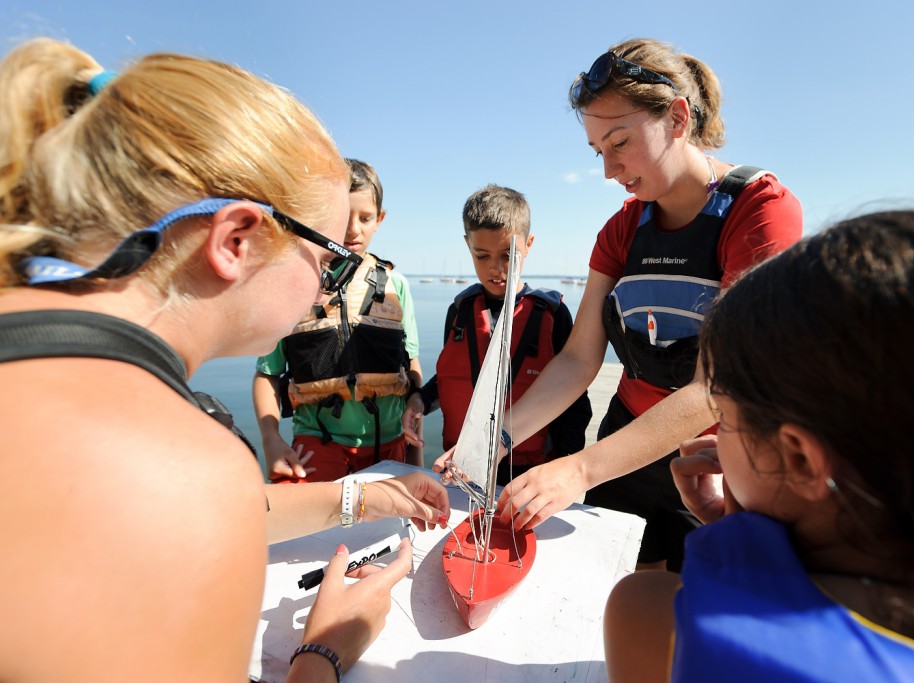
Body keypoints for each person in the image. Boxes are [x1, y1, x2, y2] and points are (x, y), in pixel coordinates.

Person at [0, 38, 449, 682]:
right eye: (327, 261)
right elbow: (190, 506)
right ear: (235, 240)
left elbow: (233, 511)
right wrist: (324, 650)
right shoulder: (180, 465)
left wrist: (361, 497)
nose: (327, 283)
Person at [602, 210, 914, 681]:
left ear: (801, 458)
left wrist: (738, 534)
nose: (714, 436)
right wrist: (758, 505)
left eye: (724, 418)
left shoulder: (658, 620)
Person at [480, 38, 802, 571]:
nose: (609, 170)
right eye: (598, 152)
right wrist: (495, 438)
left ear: (677, 117)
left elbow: (714, 389)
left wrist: (578, 471)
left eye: (620, 142)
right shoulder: (622, 229)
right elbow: (580, 359)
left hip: (717, 462)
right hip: (624, 443)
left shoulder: (761, 211)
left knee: (687, 616)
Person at [403, 184, 591, 485]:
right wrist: (420, 400)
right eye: (482, 256)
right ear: (468, 246)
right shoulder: (460, 311)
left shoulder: (552, 316)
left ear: (528, 244)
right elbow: (452, 377)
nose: (496, 268)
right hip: (459, 468)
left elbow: (575, 402)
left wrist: (561, 469)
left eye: (507, 255)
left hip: (527, 473)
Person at [253, 159, 423, 483]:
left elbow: (411, 366)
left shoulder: (396, 285)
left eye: (365, 217)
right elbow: (267, 373)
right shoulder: (294, 283)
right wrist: (270, 440)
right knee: (313, 530)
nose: (353, 229)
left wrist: (414, 457)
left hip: (389, 445)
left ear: (380, 219)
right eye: (344, 216)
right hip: (317, 442)